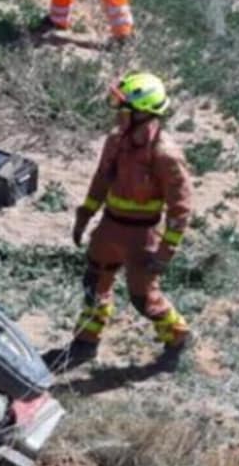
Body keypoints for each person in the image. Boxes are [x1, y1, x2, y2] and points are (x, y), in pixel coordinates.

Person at [50, 72, 192, 372]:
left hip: (142, 238)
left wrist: (165, 253)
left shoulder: (165, 155)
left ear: (144, 113)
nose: (118, 114)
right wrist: (84, 215)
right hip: (109, 229)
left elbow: (180, 210)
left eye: (124, 108)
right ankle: (85, 343)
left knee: (144, 299)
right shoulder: (116, 141)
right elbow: (101, 179)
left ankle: (178, 338)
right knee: (94, 284)